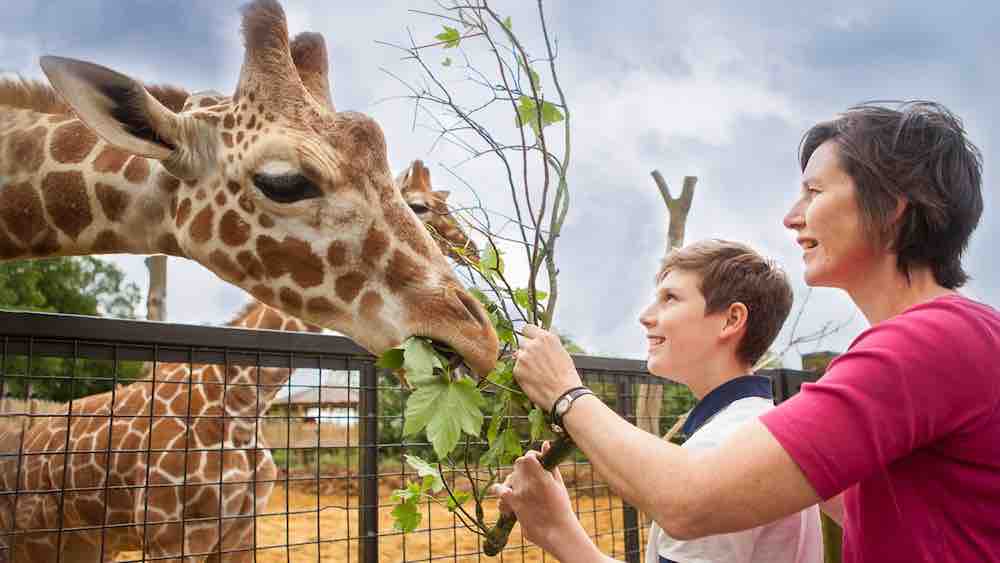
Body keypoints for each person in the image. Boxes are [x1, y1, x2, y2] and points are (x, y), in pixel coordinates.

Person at [498, 101, 999, 562]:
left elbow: (691, 500)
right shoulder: (955, 339)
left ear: (891, 207)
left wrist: (566, 394)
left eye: (815, 191)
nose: (791, 216)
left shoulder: (928, 343)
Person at [496, 239, 824, 562]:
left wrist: (559, 532)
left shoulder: (725, 445)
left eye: (670, 298)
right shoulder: (757, 428)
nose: (645, 316)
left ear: (731, 320)